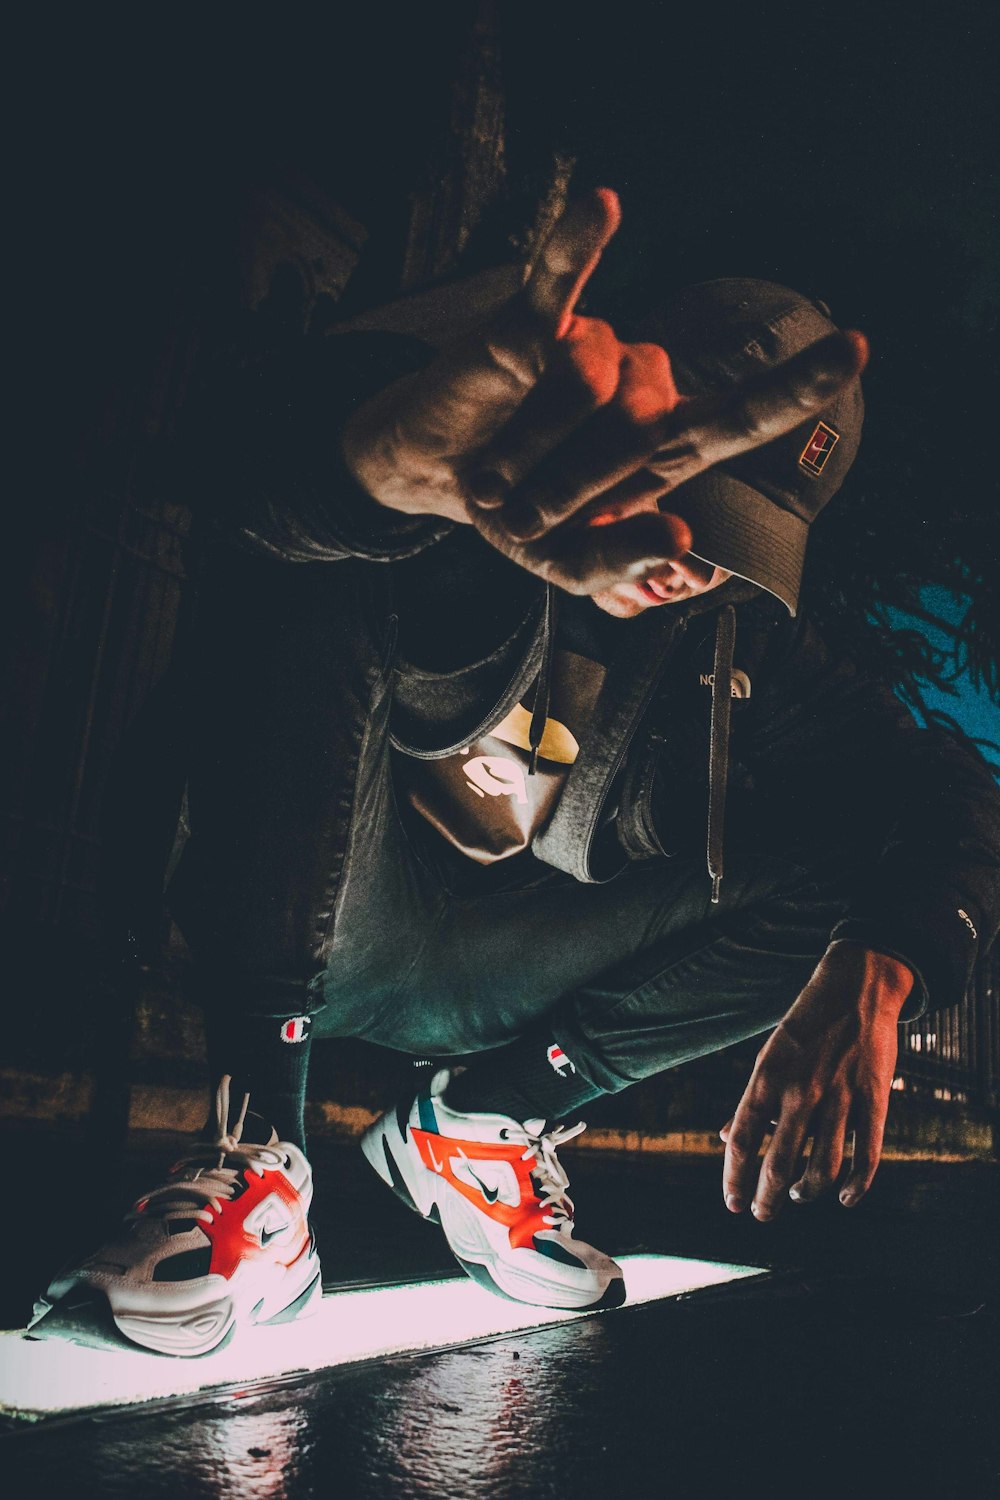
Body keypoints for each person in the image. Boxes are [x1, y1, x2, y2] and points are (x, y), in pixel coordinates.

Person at [31, 190, 1000, 1355]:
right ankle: (257, 1154)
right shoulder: (457, 483)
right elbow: (231, 482)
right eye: (671, 503)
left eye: (731, 547)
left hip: (489, 981)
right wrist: (369, 471)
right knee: (327, 544)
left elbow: (944, 785)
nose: (687, 566)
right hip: (307, 917)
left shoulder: (749, 648)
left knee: (860, 856)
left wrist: (892, 957)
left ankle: (482, 1122)